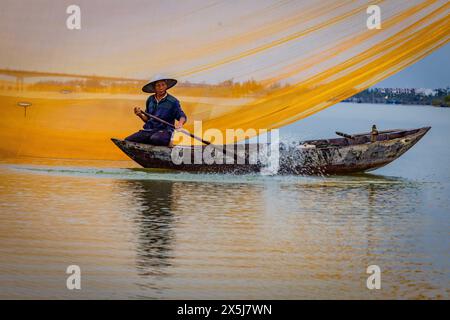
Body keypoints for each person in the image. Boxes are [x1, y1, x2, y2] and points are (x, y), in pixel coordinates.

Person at [125, 75, 187, 146]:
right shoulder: (150, 100)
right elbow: (147, 119)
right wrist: (139, 115)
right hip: (150, 130)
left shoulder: (173, 101)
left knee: (155, 138)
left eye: (163, 85)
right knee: (128, 140)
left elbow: (182, 116)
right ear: (154, 88)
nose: (161, 88)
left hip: (165, 131)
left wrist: (180, 123)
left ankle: (169, 142)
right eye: (158, 86)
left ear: (166, 86)